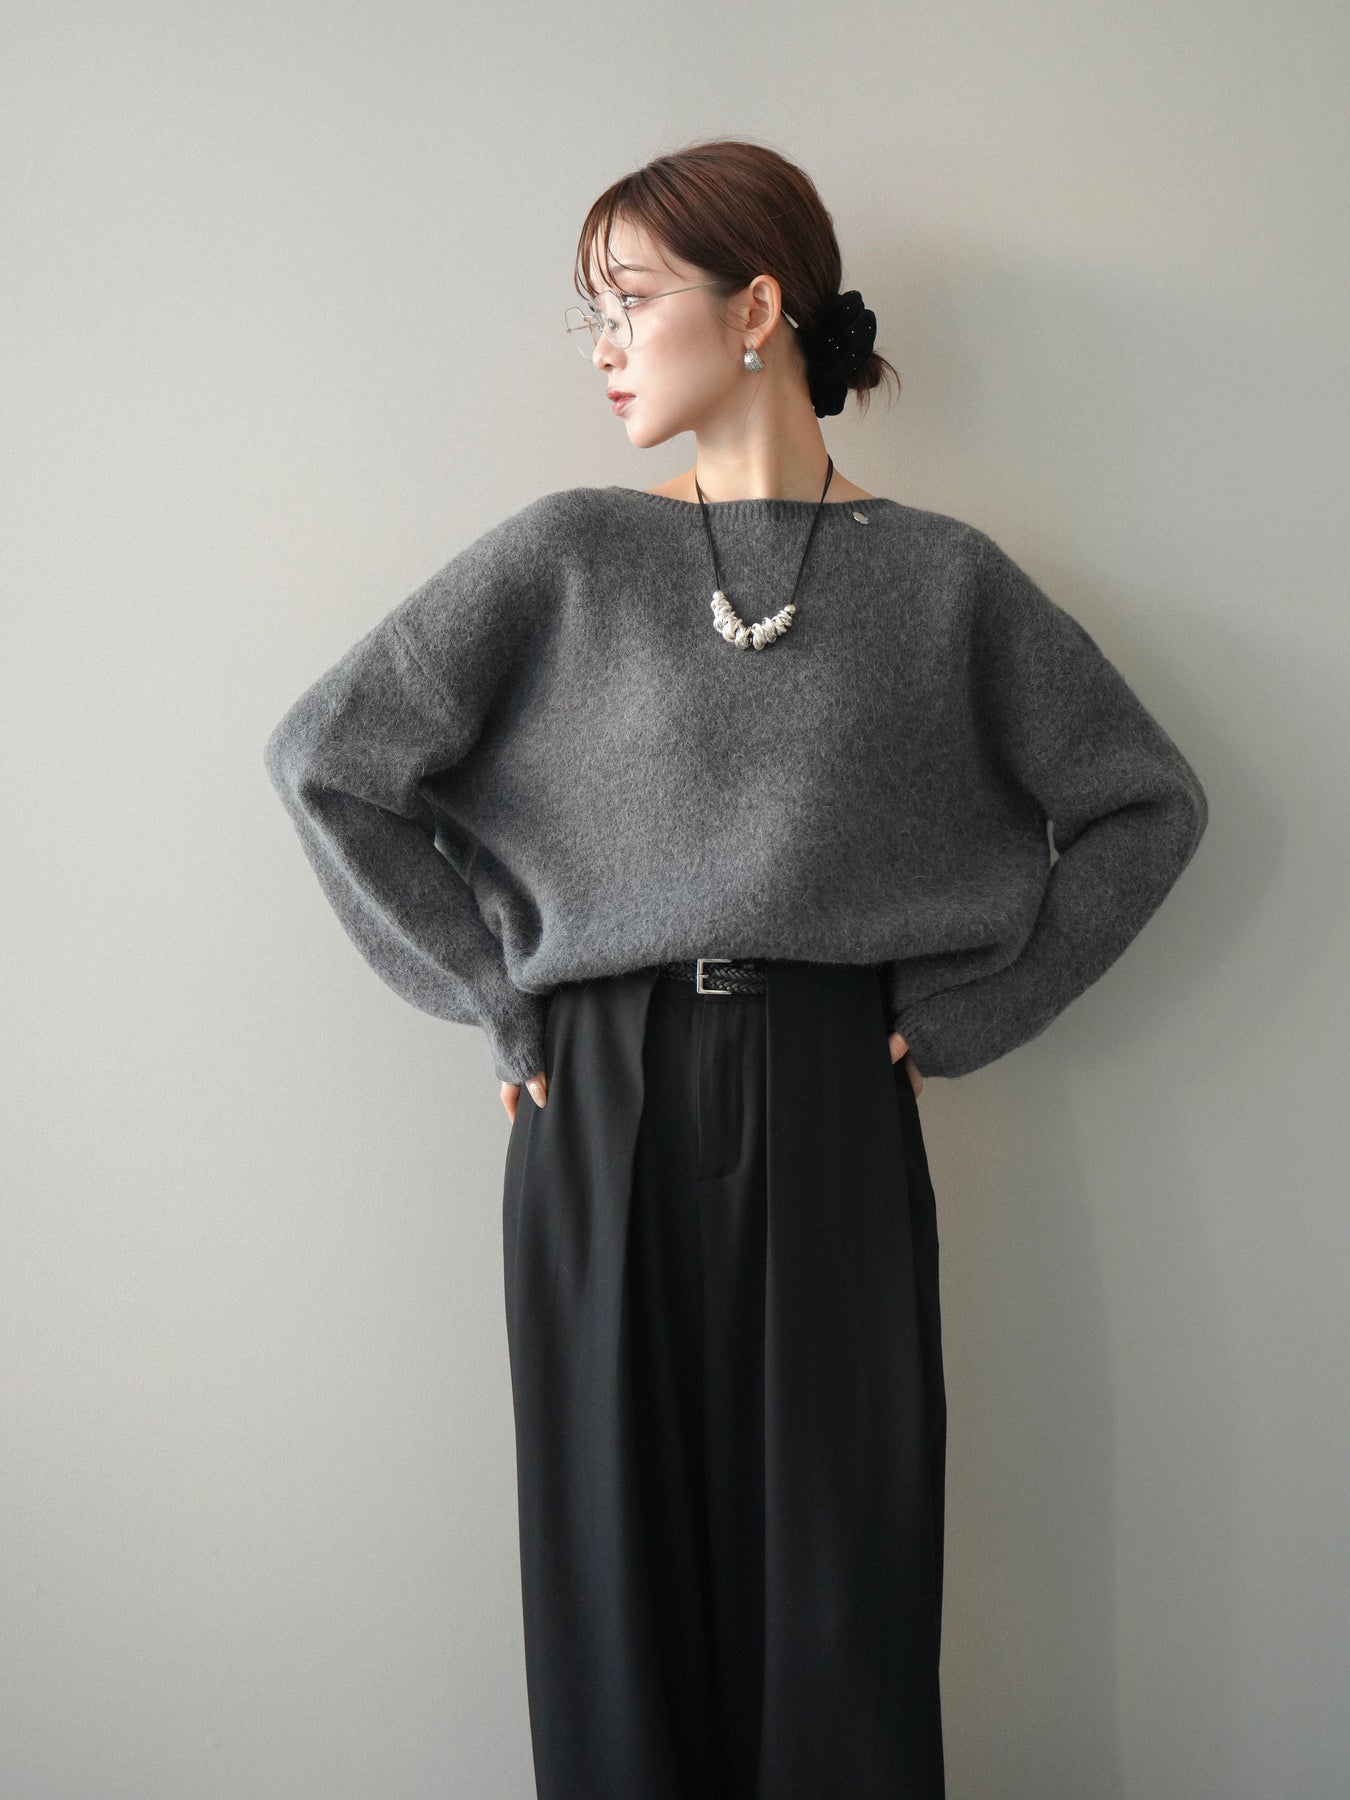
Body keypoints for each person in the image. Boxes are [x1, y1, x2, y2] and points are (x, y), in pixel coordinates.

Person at [263, 137, 1209, 1800]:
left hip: (838, 1087)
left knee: (840, 1589)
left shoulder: (943, 579)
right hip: (596, 1094)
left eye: (629, 300)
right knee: (613, 1583)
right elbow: (328, 760)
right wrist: (492, 997)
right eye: (592, 312)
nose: (605, 344)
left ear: (757, 308)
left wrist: (967, 1016)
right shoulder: (564, 555)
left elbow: (1145, 805)